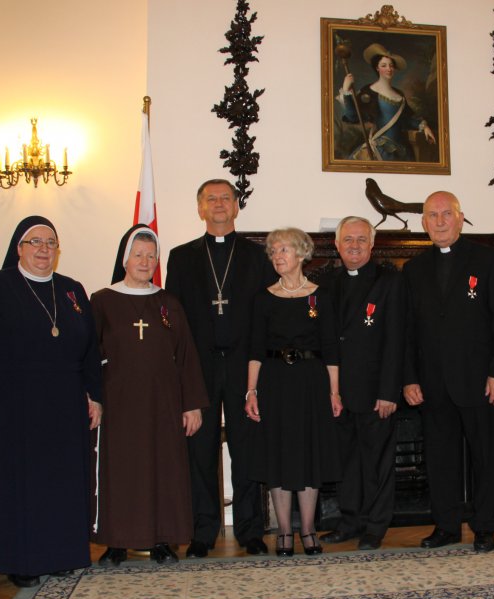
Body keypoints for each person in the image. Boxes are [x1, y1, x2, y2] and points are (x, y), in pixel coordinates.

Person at [0, 216, 102, 588]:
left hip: (64, 404)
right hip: (11, 406)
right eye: (35, 242)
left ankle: (61, 554)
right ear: (18, 248)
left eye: (50, 242)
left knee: (60, 482)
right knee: (19, 484)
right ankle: (19, 560)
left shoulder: (71, 291)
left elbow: (90, 348)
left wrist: (95, 395)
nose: (43, 249)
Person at [166, 179, 275, 558]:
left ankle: (250, 529)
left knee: (247, 449)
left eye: (225, 198)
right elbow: (174, 319)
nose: (218, 204)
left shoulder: (256, 256)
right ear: (200, 208)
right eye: (210, 199)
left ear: (236, 206)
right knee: (200, 449)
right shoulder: (182, 257)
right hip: (199, 366)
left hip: (245, 365)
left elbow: (266, 313)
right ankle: (202, 530)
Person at [91, 225, 208, 566]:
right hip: (118, 404)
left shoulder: (168, 302)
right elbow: (88, 355)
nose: (145, 262)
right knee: (120, 471)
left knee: (163, 470)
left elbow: (186, 355)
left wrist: (192, 404)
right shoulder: (102, 301)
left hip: (163, 404)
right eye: (138, 255)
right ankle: (116, 542)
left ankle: (161, 539)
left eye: (151, 256)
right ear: (125, 260)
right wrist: (91, 397)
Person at [402, 191, 494, 553]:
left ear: (461, 218)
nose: (440, 221)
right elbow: (407, 330)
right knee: (439, 458)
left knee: (483, 457)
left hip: (479, 380)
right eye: (432, 215)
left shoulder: (487, 259)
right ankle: (446, 525)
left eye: (447, 214)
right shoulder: (414, 269)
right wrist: (409, 377)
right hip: (432, 382)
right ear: (424, 223)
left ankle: (484, 526)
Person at [245, 228, 342, 557]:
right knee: (279, 456)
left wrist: (334, 392)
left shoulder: (319, 297)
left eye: (283, 250)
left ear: (301, 254)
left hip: (311, 382)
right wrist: (250, 391)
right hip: (274, 383)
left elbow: (331, 349)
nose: (277, 256)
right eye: (273, 251)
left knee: (309, 455)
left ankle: (309, 529)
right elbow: (255, 350)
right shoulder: (263, 298)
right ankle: (285, 530)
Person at [320, 217, 405, 551]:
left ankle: (375, 526)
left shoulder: (389, 281)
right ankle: (350, 520)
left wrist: (389, 391)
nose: (354, 245)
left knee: (378, 464)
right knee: (347, 462)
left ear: (372, 244)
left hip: (375, 391)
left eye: (360, 239)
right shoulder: (329, 283)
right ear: (337, 245)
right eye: (347, 239)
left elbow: (396, 339)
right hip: (339, 392)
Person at [338, 43, 436, 161]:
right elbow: (353, 116)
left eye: (391, 65)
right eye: (384, 65)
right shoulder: (369, 92)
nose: (389, 69)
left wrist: (424, 127)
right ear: (377, 68)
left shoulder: (399, 94)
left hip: (401, 150)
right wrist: (346, 89)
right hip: (381, 149)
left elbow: (407, 118)